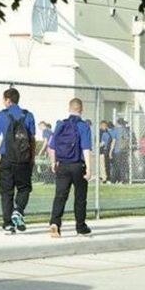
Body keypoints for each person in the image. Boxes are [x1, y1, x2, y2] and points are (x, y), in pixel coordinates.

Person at [0, 87, 37, 235]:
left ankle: (8, 223)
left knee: (6, 191)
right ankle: (19, 210)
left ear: (8, 100)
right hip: (23, 159)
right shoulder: (28, 115)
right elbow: (32, 139)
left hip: (7, 157)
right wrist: (32, 157)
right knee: (24, 188)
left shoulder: (0, 115)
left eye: (4, 99)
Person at [47, 98, 93, 237]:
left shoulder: (60, 124)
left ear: (69, 108)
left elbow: (51, 146)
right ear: (81, 109)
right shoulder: (84, 126)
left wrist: (53, 162)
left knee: (60, 195)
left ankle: (55, 222)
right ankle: (80, 226)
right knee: (80, 197)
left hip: (62, 165)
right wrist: (89, 169)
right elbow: (86, 148)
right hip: (78, 166)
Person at [111, 118, 131, 183]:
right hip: (124, 150)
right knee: (123, 166)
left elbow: (113, 141)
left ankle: (114, 180)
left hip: (117, 150)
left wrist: (110, 151)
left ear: (117, 123)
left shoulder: (116, 130)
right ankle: (123, 179)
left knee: (116, 165)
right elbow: (128, 140)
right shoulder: (126, 130)